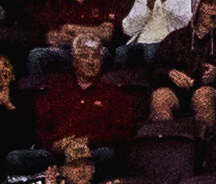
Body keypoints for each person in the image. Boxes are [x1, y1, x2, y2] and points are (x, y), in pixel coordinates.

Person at [146, 0, 216, 138]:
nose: (215, 9)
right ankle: (166, 147)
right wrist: (169, 73)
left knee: (202, 97)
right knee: (160, 97)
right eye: (209, 3)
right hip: (176, 91)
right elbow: (153, 70)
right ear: (197, 6)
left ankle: (200, 149)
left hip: (209, 90)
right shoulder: (176, 37)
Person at [34, 39, 140, 171]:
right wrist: (55, 144)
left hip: (92, 154)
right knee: (15, 158)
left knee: (106, 155)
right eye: (84, 56)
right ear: (74, 61)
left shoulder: (113, 93)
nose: (90, 61)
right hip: (59, 154)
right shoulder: (57, 90)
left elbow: (123, 132)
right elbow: (43, 127)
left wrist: (87, 141)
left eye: (95, 56)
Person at [31, 0, 130, 82]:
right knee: (36, 55)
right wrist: (93, 32)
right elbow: (52, 38)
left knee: (105, 53)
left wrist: (72, 29)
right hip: (66, 52)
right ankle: (44, 99)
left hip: (95, 51)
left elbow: (106, 34)